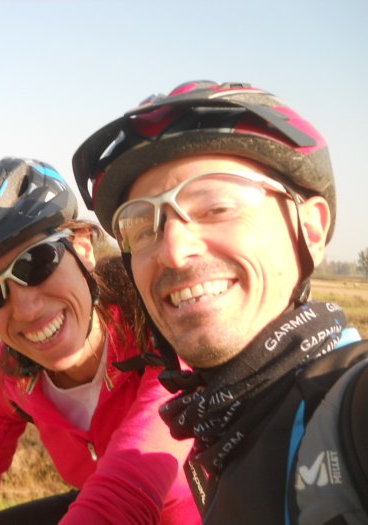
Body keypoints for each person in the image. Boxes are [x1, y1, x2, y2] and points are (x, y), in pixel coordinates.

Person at [72, 80, 368, 524]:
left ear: (309, 230)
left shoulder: (351, 406)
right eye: (142, 225)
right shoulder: (223, 428)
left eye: (215, 205)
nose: (173, 250)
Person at [0, 157, 198, 524]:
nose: (26, 309)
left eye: (36, 262)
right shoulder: (7, 376)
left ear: (83, 248)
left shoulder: (160, 330)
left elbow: (127, 491)